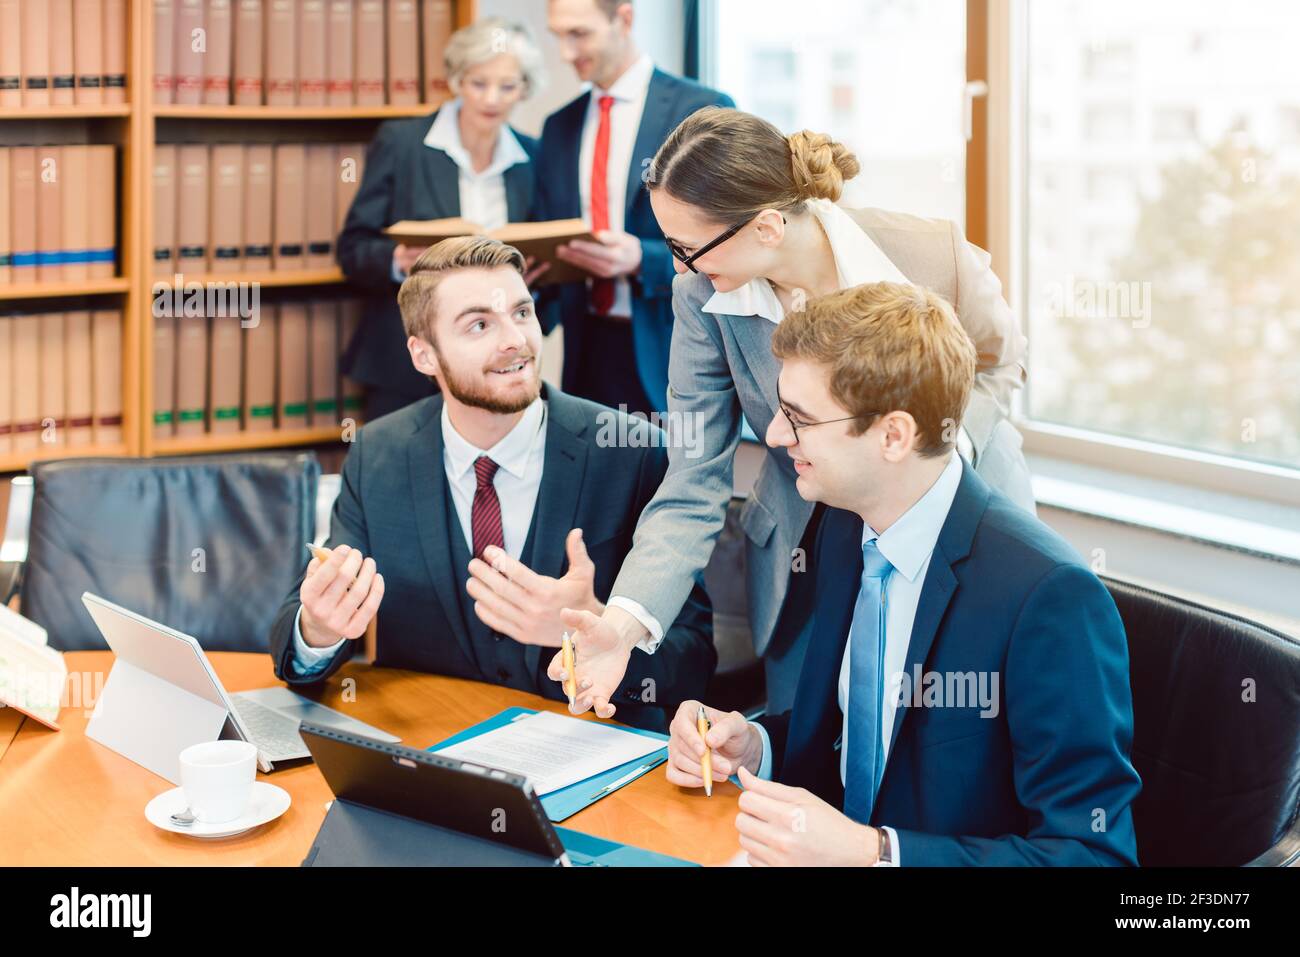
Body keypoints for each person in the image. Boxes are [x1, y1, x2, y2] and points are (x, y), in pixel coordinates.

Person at [549, 107, 1035, 717]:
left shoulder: (932, 254)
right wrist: (621, 625)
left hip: (954, 511)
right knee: (800, 738)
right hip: (806, 543)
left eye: (687, 247)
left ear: (768, 227)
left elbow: (998, 361)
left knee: (952, 727)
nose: (675, 265)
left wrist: (942, 447)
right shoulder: (701, 295)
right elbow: (692, 476)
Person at [666, 282, 1141, 865]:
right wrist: (755, 746)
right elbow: (853, 735)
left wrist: (876, 854)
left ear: (893, 435)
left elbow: (1092, 855)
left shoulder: (1049, 598)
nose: (774, 435)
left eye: (800, 418)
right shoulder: (844, 525)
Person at [268, 237, 715, 731]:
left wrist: (602, 628)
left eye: (522, 313)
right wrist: (321, 628)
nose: (515, 340)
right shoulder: (379, 455)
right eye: (480, 324)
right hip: (431, 759)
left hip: (592, 762)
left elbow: (694, 659)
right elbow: (303, 633)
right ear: (424, 355)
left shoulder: (632, 451)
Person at [532, 0, 734, 415]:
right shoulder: (559, 126)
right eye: (559, 37)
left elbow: (731, 238)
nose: (567, 53)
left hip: (671, 340)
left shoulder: (701, 111)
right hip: (586, 347)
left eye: (579, 34)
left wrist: (641, 258)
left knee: (669, 476)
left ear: (624, 19)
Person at [337, 18, 543, 422]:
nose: (492, 98)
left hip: (496, 363)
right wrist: (397, 261)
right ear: (456, 80)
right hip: (404, 358)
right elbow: (352, 249)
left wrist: (531, 286)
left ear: (525, 88)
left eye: (508, 86)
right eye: (478, 83)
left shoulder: (532, 157)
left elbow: (541, 249)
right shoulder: (404, 143)